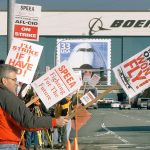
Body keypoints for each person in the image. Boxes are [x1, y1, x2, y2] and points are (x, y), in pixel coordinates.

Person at [0, 64, 68, 150]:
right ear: (4, 81)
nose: (16, 83)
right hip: (6, 144)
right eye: (14, 79)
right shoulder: (6, 96)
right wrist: (54, 121)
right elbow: (28, 122)